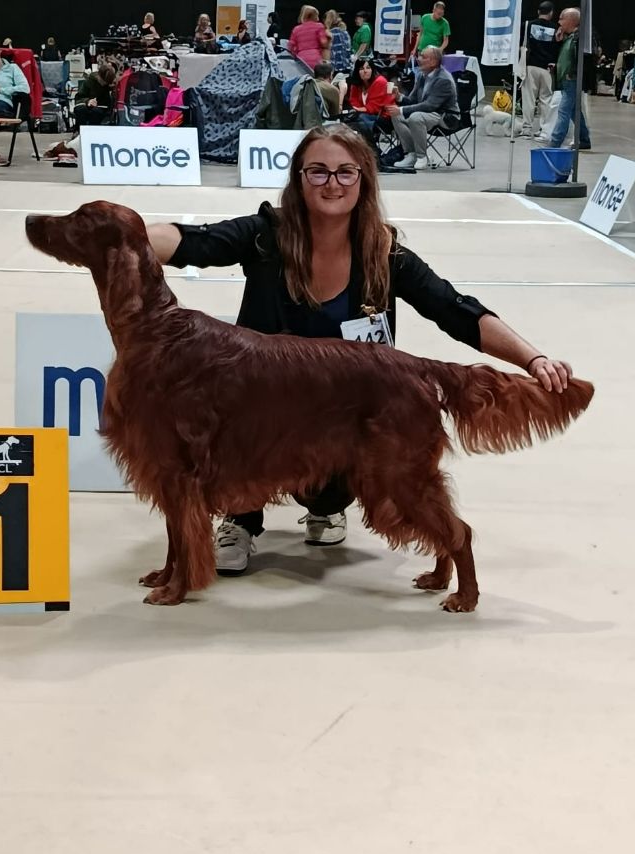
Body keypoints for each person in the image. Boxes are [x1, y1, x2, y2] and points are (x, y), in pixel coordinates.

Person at [142, 124, 574, 573]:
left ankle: (327, 503)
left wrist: (532, 358)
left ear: (364, 180)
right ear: (299, 178)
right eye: (319, 171)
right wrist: (126, 233)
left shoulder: (384, 254)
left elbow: (455, 309)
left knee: (358, 460)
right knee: (231, 417)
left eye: (346, 172)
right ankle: (241, 520)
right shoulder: (265, 235)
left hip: (340, 415)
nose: (332, 183)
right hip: (259, 409)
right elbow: (192, 242)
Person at [387, 45, 459, 170]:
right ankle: (411, 154)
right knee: (396, 114)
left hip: (445, 115)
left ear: (434, 61)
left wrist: (402, 109)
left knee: (416, 117)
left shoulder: (443, 79)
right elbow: (413, 100)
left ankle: (422, 157)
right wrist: (399, 97)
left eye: (423, 57)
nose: (419, 59)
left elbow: (430, 105)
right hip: (428, 113)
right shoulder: (421, 75)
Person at [549, 7, 591, 151]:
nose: (559, 21)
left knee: (563, 111)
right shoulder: (569, 38)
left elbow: (585, 60)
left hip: (572, 80)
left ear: (571, 20)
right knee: (574, 112)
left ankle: (555, 142)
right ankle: (584, 139)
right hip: (566, 81)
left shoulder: (580, 38)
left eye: (562, 18)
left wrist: (574, 73)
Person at [521, 1, 558, 139]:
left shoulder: (528, 25)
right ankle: (544, 130)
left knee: (528, 98)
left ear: (538, 11)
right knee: (546, 100)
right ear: (551, 13)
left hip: (530, 66)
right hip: (547, 68)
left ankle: (526, 129)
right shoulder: (556, 28)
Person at [348, 57, 391, 136]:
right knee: (349, 119)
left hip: (384, 117)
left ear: (372, 70)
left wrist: (358, 110)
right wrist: (356, 110)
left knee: (360, 119)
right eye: (361, 68)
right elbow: (353, 100)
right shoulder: (356, 83)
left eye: (368, 68)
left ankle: (371, 147)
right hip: (365, 115)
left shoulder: (380, 81)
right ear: (357, 71)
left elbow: (374, 107)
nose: (365, 71)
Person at [72, 62, 116, 131]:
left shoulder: (109, 85)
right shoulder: (90, 81)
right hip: (86, 104)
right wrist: (88, 101)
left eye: (105, 82)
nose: (103, 83)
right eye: (102, 81)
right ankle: (80, 131)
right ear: (98, 75)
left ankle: (92, 132)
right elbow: (79, 97)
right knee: (80, 110)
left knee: (96, 112)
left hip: (101, 107)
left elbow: (108, 104)